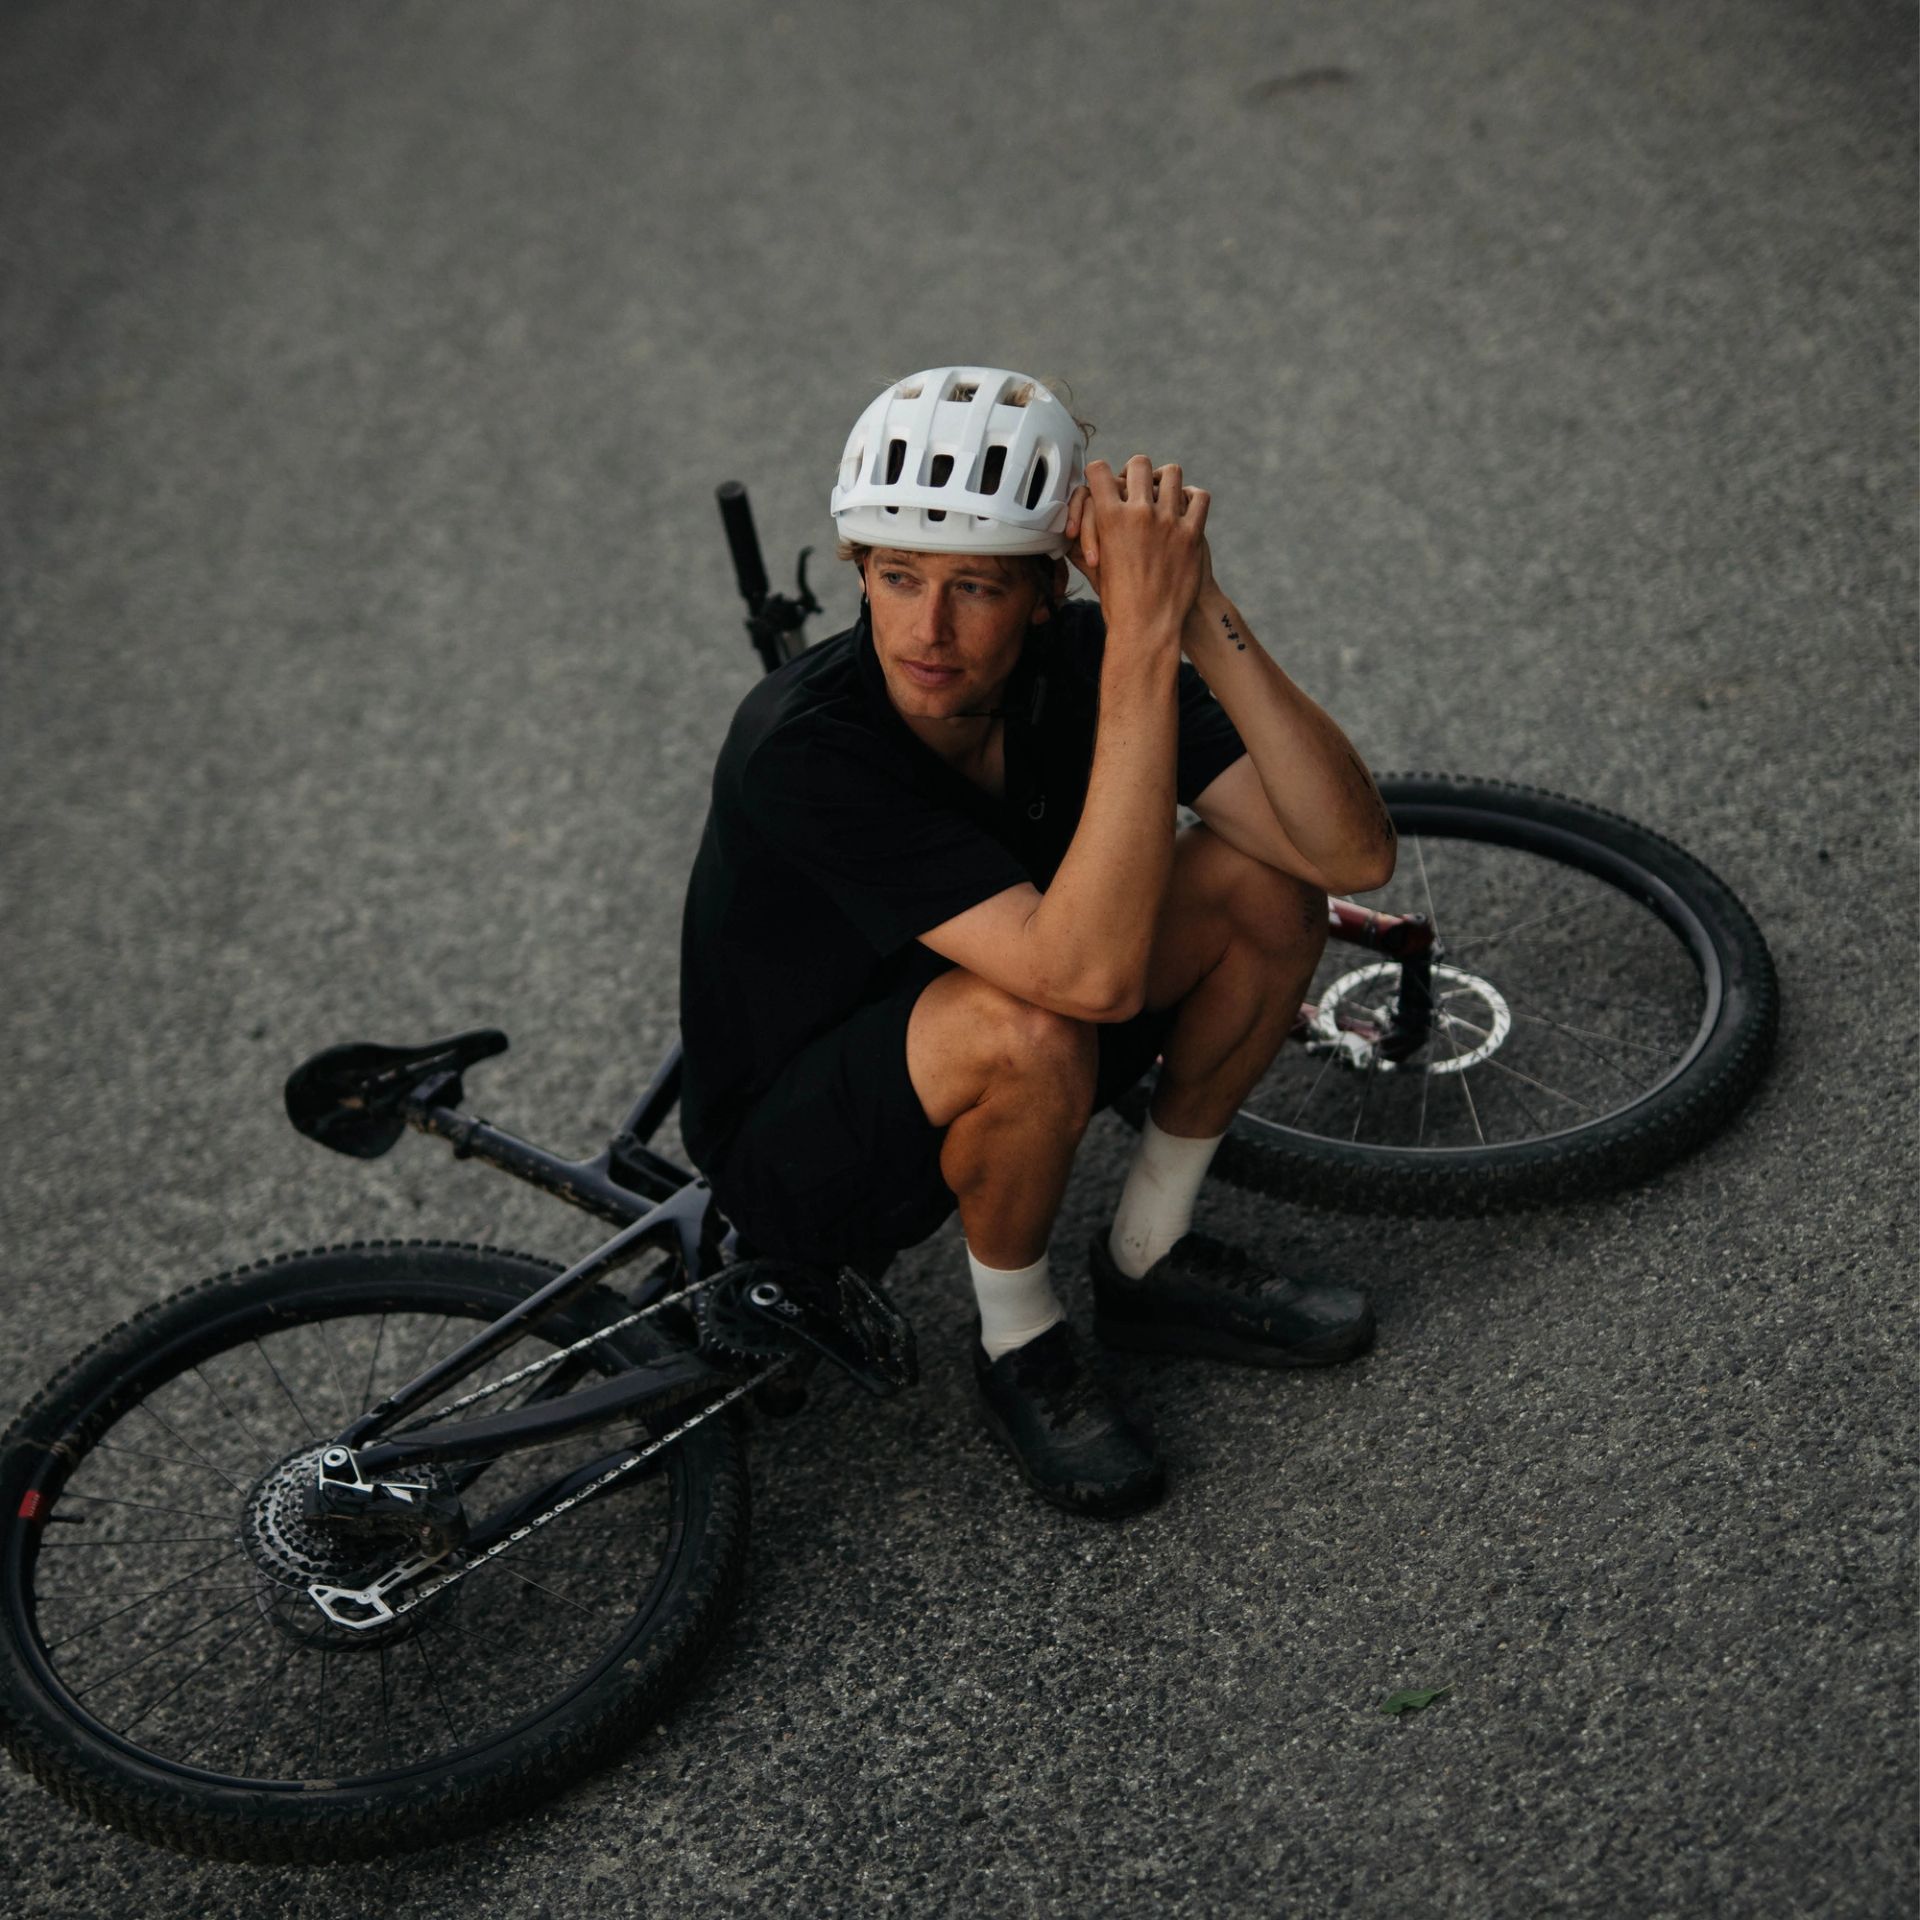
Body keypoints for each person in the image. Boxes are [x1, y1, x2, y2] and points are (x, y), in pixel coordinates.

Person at [679, 367, 1397, 1517]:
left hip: (1027, 1005)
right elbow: (1091, 981)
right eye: (898, 577)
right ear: (856, 568)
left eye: (975, 589)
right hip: (810, 1149)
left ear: (1044, 591)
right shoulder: (799, 748)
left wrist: (1194, 605)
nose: (929, 631)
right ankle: (1019, 1343)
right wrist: (1138, 661)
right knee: (1031, 1025)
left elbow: (1350, 854)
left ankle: (1151, 1255)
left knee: (1266, 884)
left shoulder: (1074, 657)